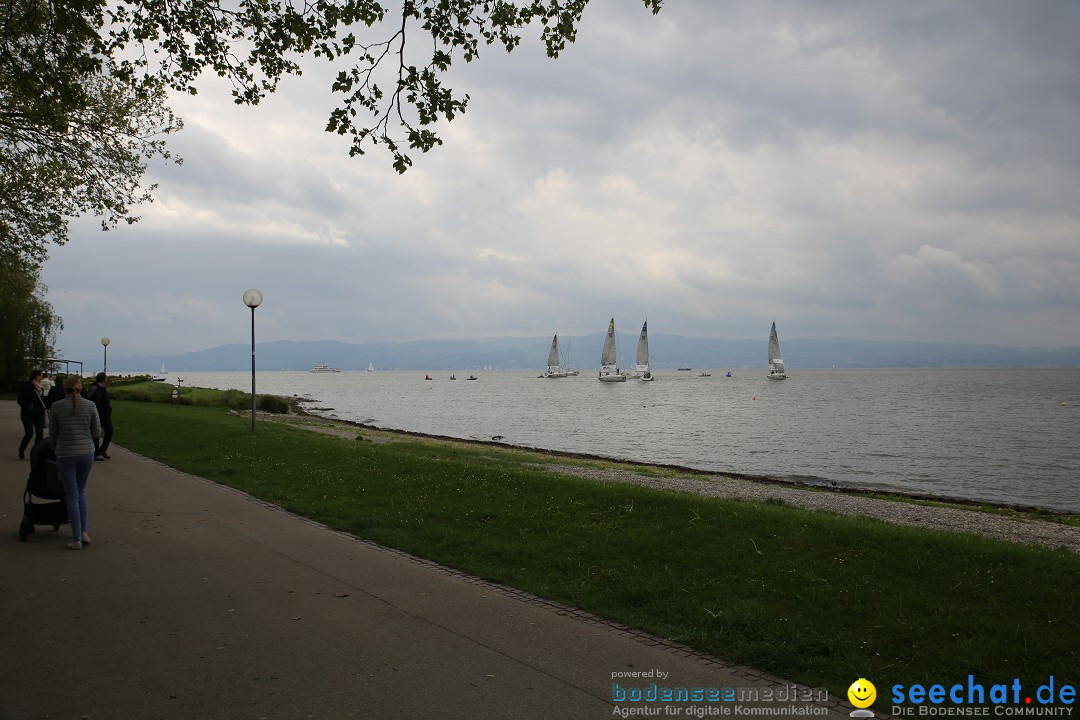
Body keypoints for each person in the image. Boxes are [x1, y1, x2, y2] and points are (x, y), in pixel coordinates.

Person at [49, 375, 100, 550]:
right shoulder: (90, 405)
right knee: (81, 490)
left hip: (65, 454)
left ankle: (77, 538)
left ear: (64, 388)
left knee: (71, 495)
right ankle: (84, 532)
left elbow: (53, 433)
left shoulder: (56, 407)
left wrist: (56, 448)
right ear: (80, 388)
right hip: (86, 453)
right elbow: (96, 431)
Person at [17, 369, 48, 459]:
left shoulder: (40, 387)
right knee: (29, 433)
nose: (42, 376)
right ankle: (21, 450)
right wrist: (30, 407)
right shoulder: (27, 386)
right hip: (28, 414)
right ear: (36, 376)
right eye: (41, 375)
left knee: (39, 434)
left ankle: (37, 452)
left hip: (39, 414)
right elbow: (20, 400)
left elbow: (42, 400)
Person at [84, 372, 113, 460]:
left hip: (106, 415)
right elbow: (88, 399)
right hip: (97, 414)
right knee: (96, 433)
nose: (107, 379)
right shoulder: (94, 388)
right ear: (103, 379)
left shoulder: (103, 388)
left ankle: (102, 450)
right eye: (106, 378)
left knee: (110, 431)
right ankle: (95, 453)